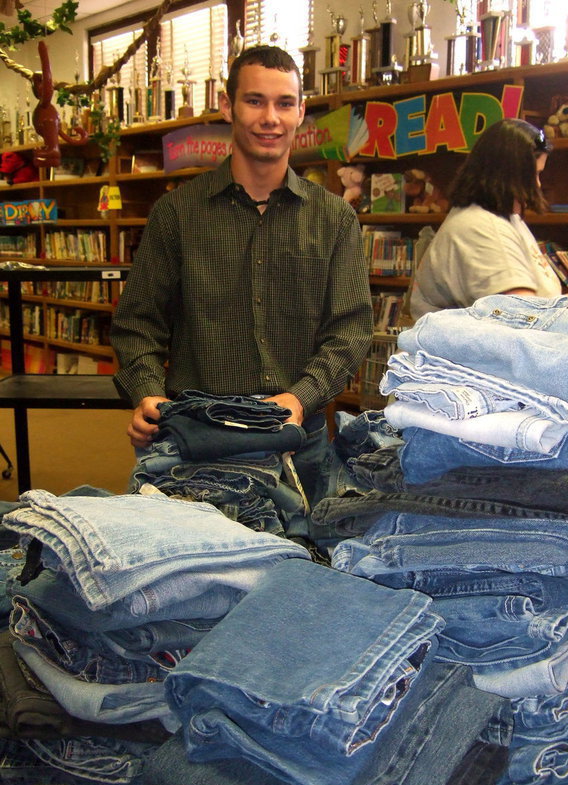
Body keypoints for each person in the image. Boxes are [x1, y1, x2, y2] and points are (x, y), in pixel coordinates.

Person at [110, 45, 373, 502]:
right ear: (228, 106)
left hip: (298, 437)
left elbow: (350, 331)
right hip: (195, 439)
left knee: (299, 566)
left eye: (284, 103)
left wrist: (298, 398)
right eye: (255, 101)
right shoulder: (177, 214)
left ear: (300, 112)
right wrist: (148, 395)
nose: (270, 117)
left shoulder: (335, 219)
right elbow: (136, 325)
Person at [410, 117, 562, 320]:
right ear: (509, 174)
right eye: (534, 174)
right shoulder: (479, 227)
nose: (538, 184)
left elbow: (538, 307)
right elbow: (522, 319)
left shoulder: (505, 218)